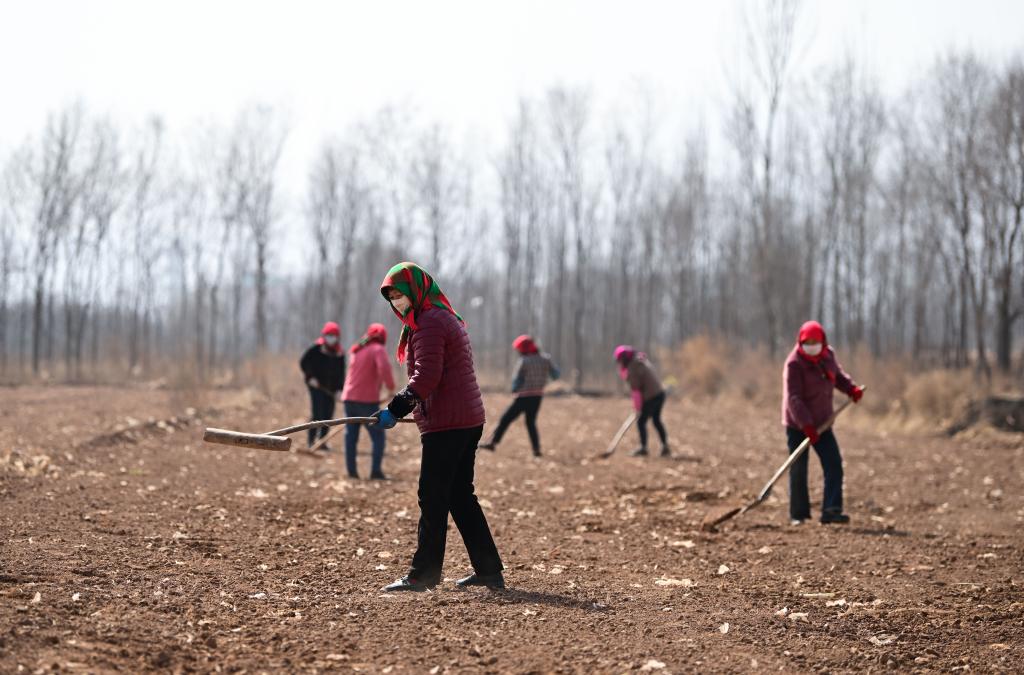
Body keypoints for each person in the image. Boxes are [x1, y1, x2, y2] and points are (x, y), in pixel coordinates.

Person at [371, 262, 504, 592]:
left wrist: (397, 406)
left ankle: (422, 575)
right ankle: (489, 571)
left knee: (432, 497)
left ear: (416, 290)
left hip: (449, 423)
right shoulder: (438, 316)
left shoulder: (430, 321)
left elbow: (427, 376)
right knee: (460, 496)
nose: (396, 303)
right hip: (464, 419)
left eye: (399, 294)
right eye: (391, 298)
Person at [782, 320, 864, 526]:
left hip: (823, 422)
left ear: (823, 342)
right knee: (799, 468)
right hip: (798, 424)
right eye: (807, 342)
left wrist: (851, 389)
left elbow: (837, 377)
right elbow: (794, 399)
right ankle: (798, 514)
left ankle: (831, 510)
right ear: (800, 342)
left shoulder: (828, 356)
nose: (811, 345)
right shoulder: (794, 364)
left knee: (833, 463)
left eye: (815, 342)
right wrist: (807, 426)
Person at [479, 335, 560, 457]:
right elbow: (556, 375)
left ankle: (492, 443)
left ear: (524, 349)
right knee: (530, 422)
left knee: (505, 419)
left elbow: (517, 380)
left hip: (523, 396)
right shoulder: (546, 359)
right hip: (537, 396)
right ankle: (536, 450)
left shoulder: (524, 361)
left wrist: (514, 389)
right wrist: (543, 381)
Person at [340, 323, 396, 480]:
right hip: (366, 401)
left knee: (351, 437)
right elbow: (384, 368)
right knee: (378, 436)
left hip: (349, 399)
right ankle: (375, 472)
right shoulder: (378, 349)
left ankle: (352, 472)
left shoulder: (357, 349)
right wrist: (391, 388)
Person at [614, 345, 670, 457]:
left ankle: (644, 448)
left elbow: (636, 391)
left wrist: (638, 408)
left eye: (620, 360)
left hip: (652, 396)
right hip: (660, 393)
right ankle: (665, 447)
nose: (619, 363)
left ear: (624, 358)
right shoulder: (638, 359)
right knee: (656, 420)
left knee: (641, 421)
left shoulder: (633, 367)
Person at [299, 322, 346, 450]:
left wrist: (339, 390)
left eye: (333, 336)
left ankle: (322, 442)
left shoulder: (340, 353)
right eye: (328, 335)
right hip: (316, 386)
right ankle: (311, 441)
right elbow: (303, 362)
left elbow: (342, 373)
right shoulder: (315, 348)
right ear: (324, 336)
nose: (331, 338)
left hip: (331, 389)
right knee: (317, 413)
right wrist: (310, 377)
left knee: (328, 415)